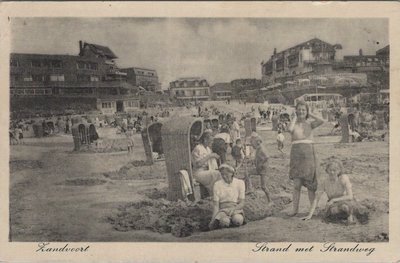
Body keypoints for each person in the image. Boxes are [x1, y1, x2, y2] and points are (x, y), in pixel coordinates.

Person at [288, 100, 324, 217]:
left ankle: (312, 210)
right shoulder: (294, 123)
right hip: (296, 154)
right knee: (296, 184)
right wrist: (294, 116)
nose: (301, 112)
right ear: (296, 111)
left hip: (308, 154)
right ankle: (294, 209)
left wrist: (309, 113)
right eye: (299, 109)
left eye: (303, 110)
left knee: (310, 184)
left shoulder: (310, 124)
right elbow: (290, 129)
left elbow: (322, 120)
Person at [301, 158, 359, 225]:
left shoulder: (343, 178)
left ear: (339, 171)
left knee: (345, 207)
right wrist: (310, 215)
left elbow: (350, 196)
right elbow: (317, 199)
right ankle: (343, 218)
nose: (332, 172)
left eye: (334, 170)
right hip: (332, 204)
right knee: (333, 211)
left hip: (345, 201)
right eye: (330, 170)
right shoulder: (324, 181)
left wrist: (334, 200)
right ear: (327, 170)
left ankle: (350, 217)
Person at [209, 164, 245, 230]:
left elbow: (242, 203)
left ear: (231, 173)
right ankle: (226, 222)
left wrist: (233, 209)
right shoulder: (217, 184)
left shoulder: (239, 183)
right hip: (223, 210)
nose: (224, 176)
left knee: (238, 220)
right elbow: (216, 205)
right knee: (224, 222)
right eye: (222, 174)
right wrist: (212, 220)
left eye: (226, 174)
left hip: (235, 209)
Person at [191, 130, 221, 195]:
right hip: (198, 173)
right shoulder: (198, 148)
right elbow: (198, 164)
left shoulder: (208, 149)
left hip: (206, 170)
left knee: (219, 173)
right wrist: (210, 156)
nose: (212, 143)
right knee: (217, 174)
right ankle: (215, 193)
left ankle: (217, 193)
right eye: (210, 141)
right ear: (205, 140)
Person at [250, 132, 272, 202]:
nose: (251, 145)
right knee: (247, 173)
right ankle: (250, 189)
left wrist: (261, 164)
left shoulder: (262, 149)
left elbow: (267, 157)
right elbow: (257, 158)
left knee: (263, 186)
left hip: (263, 170)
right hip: (259, 168)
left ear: (257, 142)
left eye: (252, 143)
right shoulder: (258, 149)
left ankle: (270, 201)